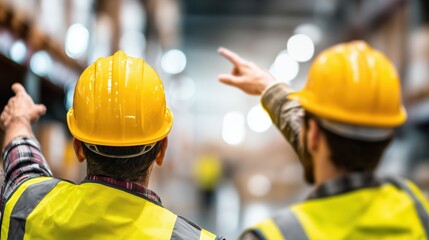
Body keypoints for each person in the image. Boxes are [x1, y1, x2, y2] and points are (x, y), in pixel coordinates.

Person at [0, 51, 223, 240]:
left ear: (78, 148)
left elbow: (23, 168)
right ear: (162, 151)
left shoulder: (31, 208)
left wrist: (18, 121)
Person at [218, 41, 429, 239]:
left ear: (314, 135)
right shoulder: (416, 209)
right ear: (388, 136)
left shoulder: (274, 234)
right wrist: (270, 87)